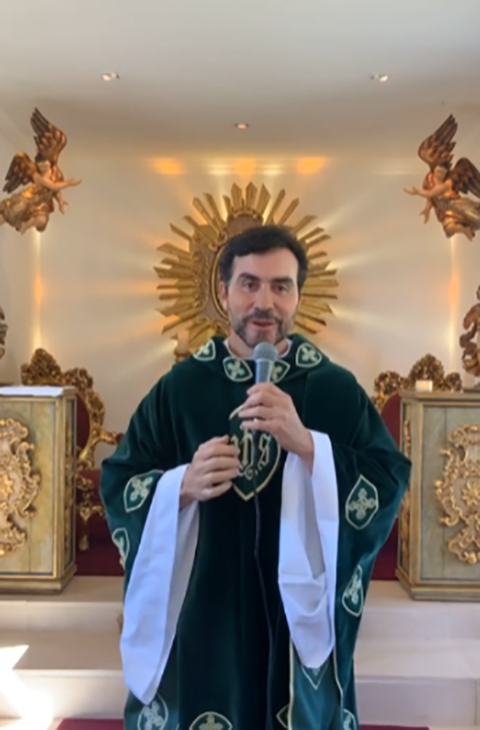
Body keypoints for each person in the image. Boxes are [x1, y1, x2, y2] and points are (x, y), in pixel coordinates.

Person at [100, 224, 411, 730]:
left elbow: (387, 479)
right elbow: (120, 481)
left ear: (298, 296)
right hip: (205, 606)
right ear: (224, 292)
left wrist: (309, 446)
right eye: (249, 284)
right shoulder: (180, 389)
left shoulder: (334, 390)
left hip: (295, 617)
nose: (264, 302)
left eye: (280, 286)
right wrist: (181, 485)